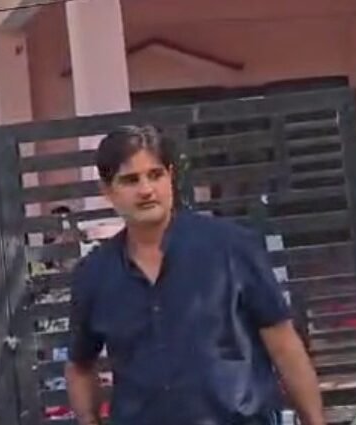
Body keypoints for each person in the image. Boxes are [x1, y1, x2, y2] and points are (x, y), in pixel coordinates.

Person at [65, 125, 325, 425]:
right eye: (130, 180)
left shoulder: (231, 248)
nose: (146, 190)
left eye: (155, 175)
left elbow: (284, 346)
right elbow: (80, 365)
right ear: (107, 190)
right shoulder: (95, 274)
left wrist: (314, 421)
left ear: (170, 176)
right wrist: (89, 419)